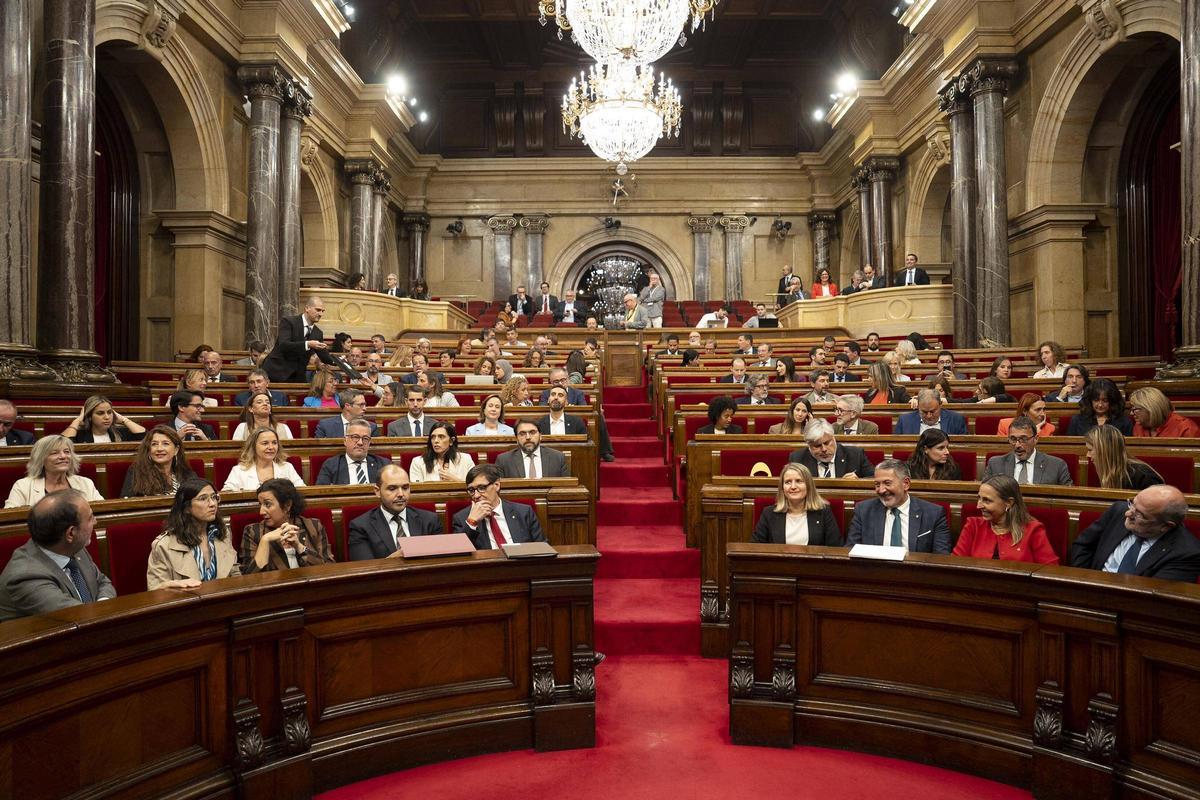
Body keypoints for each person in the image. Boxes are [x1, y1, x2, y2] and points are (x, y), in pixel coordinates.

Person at [0, 490, 115, 621]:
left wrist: (103, 603)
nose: (95, 522)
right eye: (90, 518)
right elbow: (80, 617)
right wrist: (104, 611)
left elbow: (102, 582)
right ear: (71, 533)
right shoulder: (25, 576)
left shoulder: (74, 548)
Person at [1068, 485, 1200, 581]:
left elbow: (1154, 599)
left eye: (1139, 514)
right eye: (1132, 504)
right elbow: (1083, 545)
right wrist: (1083, 582)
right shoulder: (1118, 511)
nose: (1128, 513)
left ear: (1165, 526)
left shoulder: (1186, 553)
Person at [147, 478, 240, 590]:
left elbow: (235, 574)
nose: (212, 504)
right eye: (203, 498)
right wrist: (168, 586)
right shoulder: (164, 545)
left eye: (214, 497)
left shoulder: (222, 534)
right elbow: (154, 592)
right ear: (186, 508)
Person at [847, 460, 951, 553]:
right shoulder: (863, 510)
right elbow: (850, 550)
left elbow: (941, 558)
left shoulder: (933, 514)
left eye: (887, 483)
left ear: (906, 484)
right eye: (877, 484)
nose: (881, 490)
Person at [953, 476, 1060, 563]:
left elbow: (1050, 570)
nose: (978, 506)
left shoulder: (1033, 530)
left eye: (987, 500)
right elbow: (955, 564)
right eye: (979, 498)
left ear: (1009, 502)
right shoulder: (973, 525)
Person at [347, 465, 443, 560]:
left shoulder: (430, 520)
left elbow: (440, 561)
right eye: (392, 489)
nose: (401, 494)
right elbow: (364, 568)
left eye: (405, 488)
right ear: (377, 491)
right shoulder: (361, 526)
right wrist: (397, 558)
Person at [240, 479, 334, 573]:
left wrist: (299, 547)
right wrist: (265, 541)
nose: (261, 512)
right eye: (260, 504)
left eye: (267, 504)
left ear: (287, 505)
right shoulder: (253, 532)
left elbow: (328, 568)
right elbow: (249, 578)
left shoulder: (313, 526)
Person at [452, 464, 548, 550]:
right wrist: (472, 522)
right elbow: (458, 553)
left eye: (481, 488)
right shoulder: (462, 519)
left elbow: (542, 547)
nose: (476, 495)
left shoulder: (523, 512)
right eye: (471, 490)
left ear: (497, 485)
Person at [751, 463, 843, 545]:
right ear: (782, 488)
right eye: (788, 482)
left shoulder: (823, 512)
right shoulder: (769, 513)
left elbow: (835, 547)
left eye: (799, 481)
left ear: (808, 485)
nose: (793, 487)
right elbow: (755, 547)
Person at [5, 436, 103, 508]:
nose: (63, 456)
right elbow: (10, 517)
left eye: (67, 452)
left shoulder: (86, 483)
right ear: (41, 459)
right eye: (54, 453)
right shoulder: (23, 486)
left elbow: (101, 511)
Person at [262, 295, 338, 383]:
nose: (321, 314)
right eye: (318, 310)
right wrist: (307, 344)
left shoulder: (318, 333)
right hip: (276, 372)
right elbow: (284, 345)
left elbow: (325, 356)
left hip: (298, 377)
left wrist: (340, 362)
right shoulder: (289, 322)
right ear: (307, 308)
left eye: (322, 311)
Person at [981, 416, 1073, 485]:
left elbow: (1069, 499)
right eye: (1013, 439)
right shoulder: (995, 464)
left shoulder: (1056, 466)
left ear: (1036, 439)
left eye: (1023, 439)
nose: (1017, 445)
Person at [221, 427, 304, 492]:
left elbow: (303, 491)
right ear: (253, 446)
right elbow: (228, 494)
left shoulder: (287, 467)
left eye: (274, 443)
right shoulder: (239, 470)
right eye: (265, 443)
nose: (271, 447)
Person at [121, 426, 195, 497]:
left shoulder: (185, 472)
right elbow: (127, 502)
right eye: (154, 444)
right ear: (149, 450)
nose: (159, 449)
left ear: (176, 450)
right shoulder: (137, 472)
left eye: (165, 444)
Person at [787, 419, 874, 479]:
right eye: (817, 446)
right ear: (808, 446)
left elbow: (874, 478)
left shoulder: (855, 455)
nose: (824, 449)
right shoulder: (798, 458)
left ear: (833, 438)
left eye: (827, 443)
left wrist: (858, 481)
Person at [1084, 426, 1162, 490]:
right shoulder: (1103, 470)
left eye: (1090, 450)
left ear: (1105, 450)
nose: (1088, 455)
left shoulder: (1144, 475)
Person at [315, 419, 389, 485]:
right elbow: (321, 495)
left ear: (369, 442)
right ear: (345, 440)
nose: (360, 442)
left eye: (365, 438)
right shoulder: (331, 465)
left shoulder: (383, 465)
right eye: (355, 437)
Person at [496, 419, 569, 479]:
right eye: (522, 434)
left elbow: (565, 488)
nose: (528, 437)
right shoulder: (504, 460)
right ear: (516, 439)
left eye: (532, 432)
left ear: (540, 436)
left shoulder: (558, 458)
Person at [409, 422, 475, 483]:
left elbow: (474, 485)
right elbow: (416, 489)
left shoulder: (466, 459)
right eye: (433, 437)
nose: (436, 441)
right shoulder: (418, 462)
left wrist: (455, 480)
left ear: (451, 441)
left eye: (441, 437)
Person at [62, 396, 146, 443]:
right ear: (90, 416)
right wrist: (78, 420)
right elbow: (62, 443)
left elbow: (144, 437)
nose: (107, 417)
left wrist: (124, 419)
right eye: (100, 413)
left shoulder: (120, 432)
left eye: (109, 412)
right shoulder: (80, 435)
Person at [1066, 378, 1133, 436]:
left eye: (1105, 400)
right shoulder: (1077, 420)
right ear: (1090, 400)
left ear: (1112, 400)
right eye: (1096, 400)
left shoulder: (1124, 422)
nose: (1100, 405)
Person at [1128, 386, 1200, 438]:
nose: (1131, 413)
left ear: (1150, 408)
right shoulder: (1139, 426)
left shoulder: (1186, 428)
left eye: (1135, 409)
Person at [895, 389, 968, 435]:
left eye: (932, 411)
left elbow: (963, 449)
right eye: (924, 412)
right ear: (918, 407)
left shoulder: (956, 420)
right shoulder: (904, 421)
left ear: (940, 405)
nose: (929, 416)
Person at [314, 389, 378, 438]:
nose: (365, 408)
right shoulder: (325, 426)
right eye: (361, 405)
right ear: (347, 406)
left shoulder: (371, 427)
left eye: (365, 405)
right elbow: (317, 452)